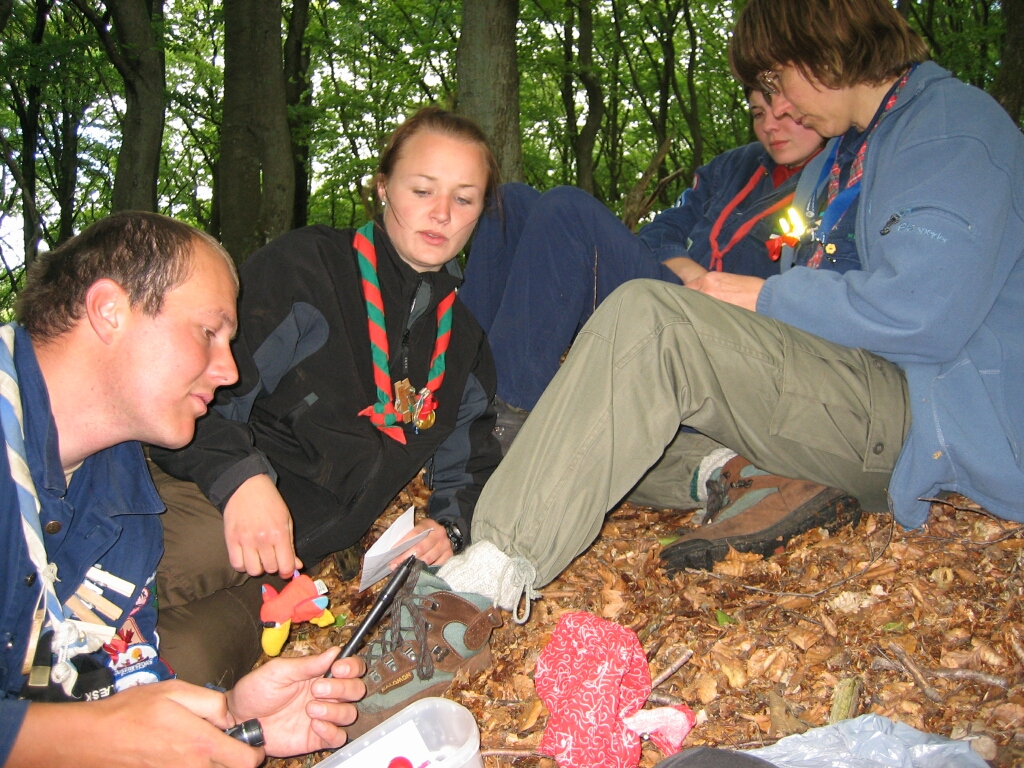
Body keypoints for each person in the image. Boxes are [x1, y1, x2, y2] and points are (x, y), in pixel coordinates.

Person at [427, 0, 1024, 626]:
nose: (777, 105)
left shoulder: (949, 128)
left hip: (918, 413)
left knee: (651, 320)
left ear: (820, 50)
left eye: (776, 79)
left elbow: (924, 314)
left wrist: (760, 298)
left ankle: (479, 587)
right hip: (849, 393)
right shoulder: (842, 158)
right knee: (593, 408)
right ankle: (498, 432)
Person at [148, 108, 505, 727]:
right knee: (137, 579)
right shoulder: (308, 268)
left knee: (189, 674)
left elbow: (471, 461)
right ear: (383, 187)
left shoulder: (465, 343)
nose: (442, 214)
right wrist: (241, 480)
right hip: (211, 499)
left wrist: (450, 525)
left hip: (290, 567)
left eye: (464, 198)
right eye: (423, 190)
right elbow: (197, 393)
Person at [0, 212, 366, 768]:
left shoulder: (126, 499)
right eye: (208, 332)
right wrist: (89, 737)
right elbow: (91, 732)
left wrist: (234, 721)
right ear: (109, 311)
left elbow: (108, 685)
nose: (230, 372)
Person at [460, 90, 825, 447]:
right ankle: (460, 385)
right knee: (511, 203)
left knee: (566, 209)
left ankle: (505, 419)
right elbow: (659, 233)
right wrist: (694, 273)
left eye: (785, 113)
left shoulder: (836, 179)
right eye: (759, 114)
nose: (771, 126)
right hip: (677, 294)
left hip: (731, 341)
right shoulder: (734, 166)